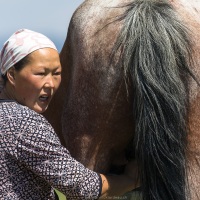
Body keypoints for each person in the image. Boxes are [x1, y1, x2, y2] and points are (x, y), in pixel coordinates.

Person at [0, 29, 138, 200]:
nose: (50, 84)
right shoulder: (23, 122)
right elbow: (80, 187)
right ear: (12, 75)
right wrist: (130, 179)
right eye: (41, 73)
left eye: (56, 73)